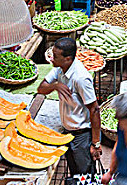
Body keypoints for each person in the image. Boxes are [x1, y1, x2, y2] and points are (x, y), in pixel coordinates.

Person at [38, 38, 102, 175]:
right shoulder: (60, 69)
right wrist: (55, 86)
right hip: (67, 130)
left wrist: (96, 143)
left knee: (84, 175)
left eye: (55, 56)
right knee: (74, 172)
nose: (51, 59)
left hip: (81, 135)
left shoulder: (80, 78)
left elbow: (95, 110)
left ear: (68, 59)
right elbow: (41, 88)